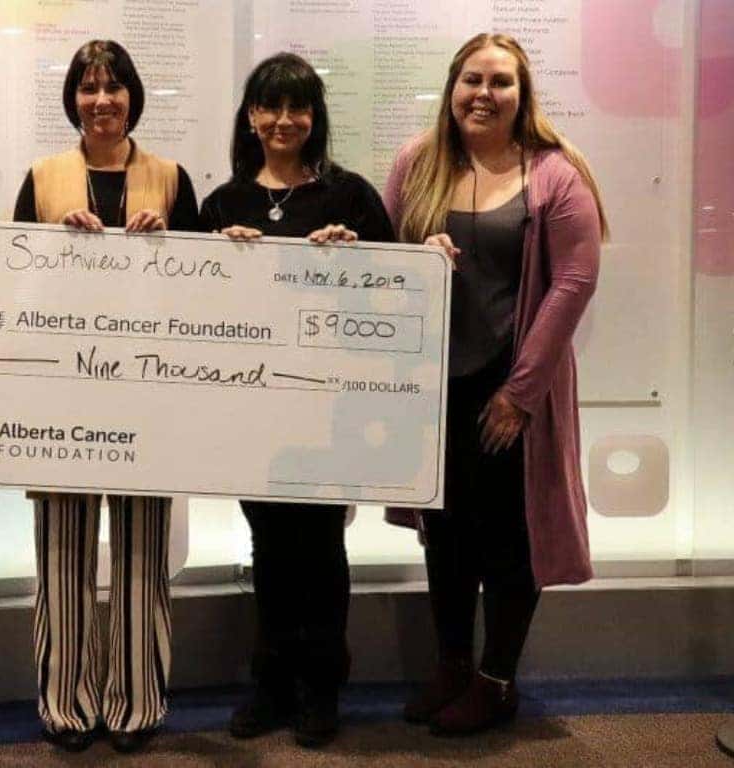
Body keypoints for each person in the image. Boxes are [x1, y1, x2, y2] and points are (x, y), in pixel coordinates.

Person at [382, 32, 607, 735]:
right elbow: (384, 260)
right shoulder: (416, 162)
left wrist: (521, 394)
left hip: (511, 391)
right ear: (452, 88)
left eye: (501, 82)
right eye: (472, 80)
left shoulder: (556, 173)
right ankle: (451, 667)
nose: (484, 94)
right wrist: (415, 252)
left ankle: (496, 681)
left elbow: (574, 282)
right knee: (445, 533)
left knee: (512, 539)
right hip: (433, 390)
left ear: (522, 94)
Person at [200, 52, 393, 748]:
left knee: (321, 544)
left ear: (316, 116)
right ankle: (272, 681)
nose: (284, 120)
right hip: (252, 409)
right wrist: (218, 255)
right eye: (270, 106)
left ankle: (321, 686)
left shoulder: (351, 197)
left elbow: (396, 295)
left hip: (331, 406)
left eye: (298, 106)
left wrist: (357, 255)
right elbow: (191, 310)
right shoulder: (222, 204)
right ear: (250, 115)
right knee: (269, 544)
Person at [12, 39, 199, 755]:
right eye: (88, 88)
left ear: (132, 97)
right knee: (61, 554)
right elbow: (11, 283)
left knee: (143, 554)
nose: (101, 101)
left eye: (113, 87)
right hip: (61, 394)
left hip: (149, 395)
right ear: (73, 99)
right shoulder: (42, 178)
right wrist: (53, 246)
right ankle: (65, 705)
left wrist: (170, 246)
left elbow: (208, 291)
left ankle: (136, 703)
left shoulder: (171, 179)